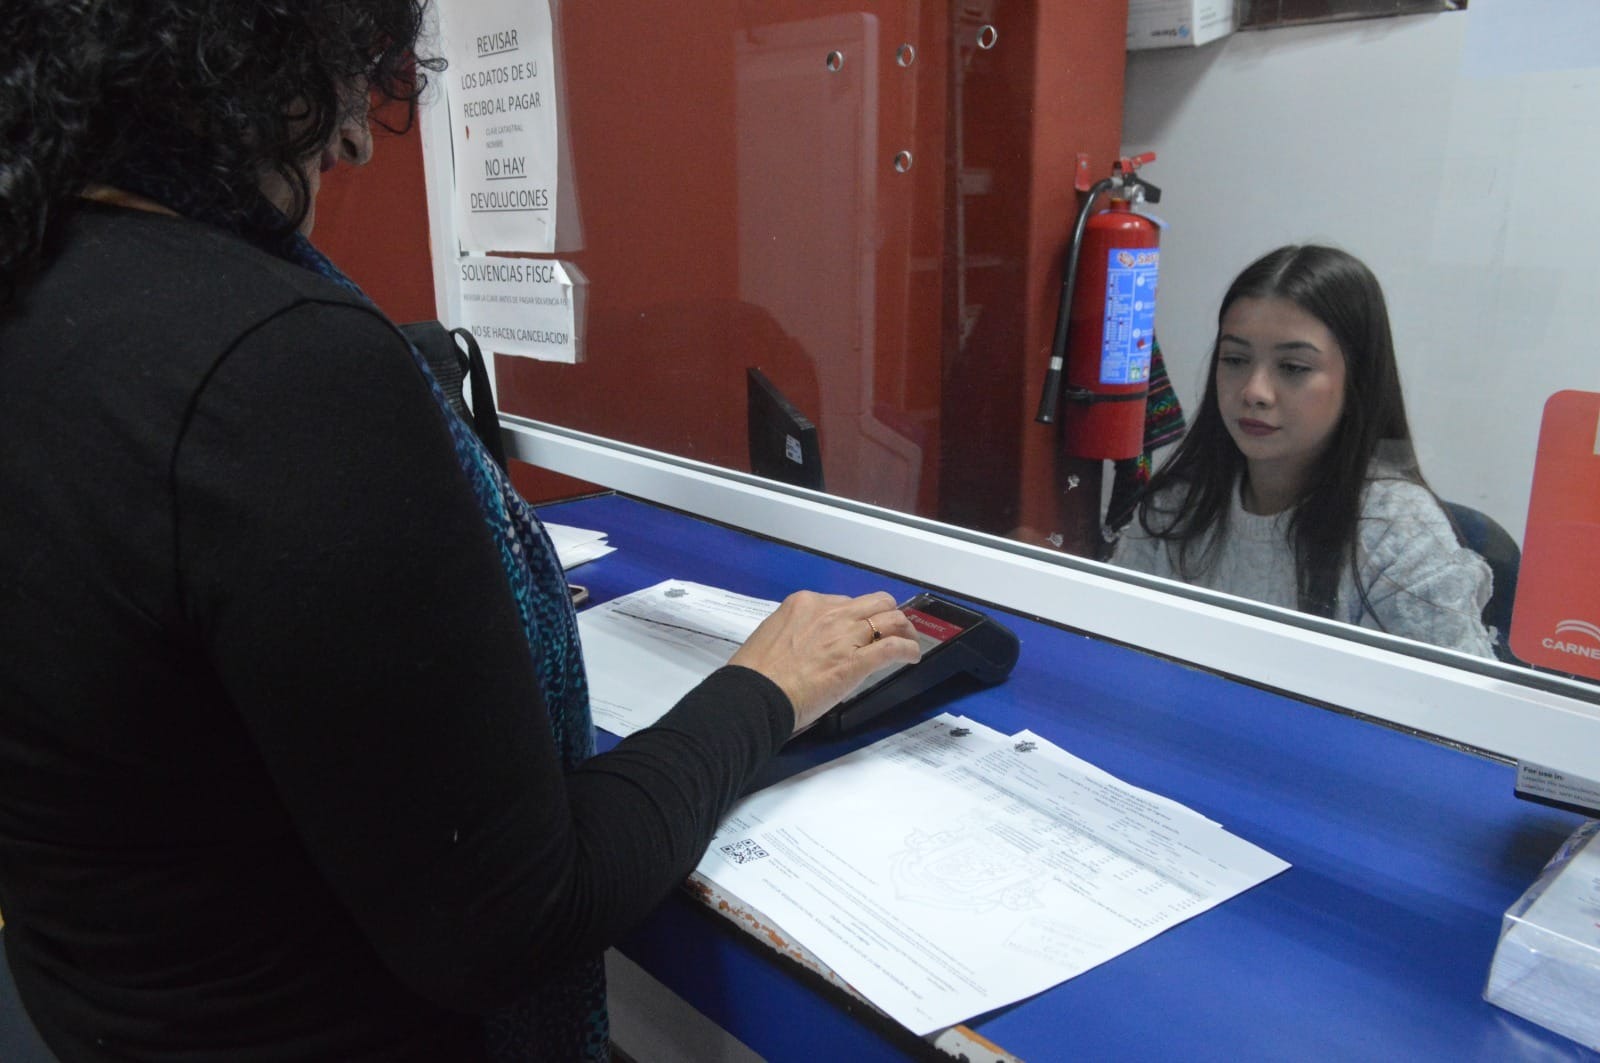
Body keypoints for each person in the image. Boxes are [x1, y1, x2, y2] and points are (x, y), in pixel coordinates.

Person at [0, 4, 921, 1061]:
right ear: (239, 55)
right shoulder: (276, 370)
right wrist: (767, 687)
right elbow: (514, 919)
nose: (354, 140)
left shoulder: (38, 282)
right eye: (333, 79)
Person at [1111, 245, 1495, 658]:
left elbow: (1450, 696)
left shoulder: (1397, 532)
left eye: (1293, 368)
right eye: (1235, 359)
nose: (1254, 391)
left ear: (1357, 380)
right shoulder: (1181, 499)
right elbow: (1112, 642)